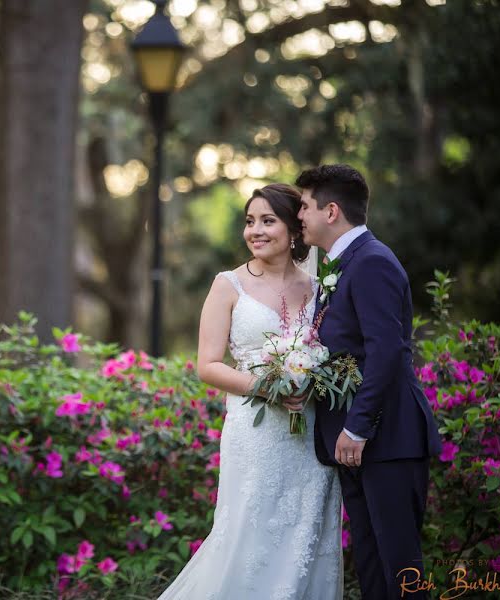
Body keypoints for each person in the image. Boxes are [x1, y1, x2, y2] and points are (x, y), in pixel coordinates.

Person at [157, 184, 342, 599]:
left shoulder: (318, 289)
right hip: (255, 432)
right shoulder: (228, 285)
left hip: (308, 436)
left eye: (267, 220)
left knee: (306, 537)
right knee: (247, 534)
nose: (255, 230)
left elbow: (331, 356)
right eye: (249, 221)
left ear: (294, 228)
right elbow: (207, 365)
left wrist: (310, 383)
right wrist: (268, 388)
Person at [293, 164, 442, 600]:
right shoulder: (342, 264)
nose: (299, 216)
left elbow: (387, 351)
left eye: (304, 206)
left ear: (331, 211)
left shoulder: (373, 262)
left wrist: (357, 427)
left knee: (400, 573)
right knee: (373, 570)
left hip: (386, 439)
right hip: (356, 446)